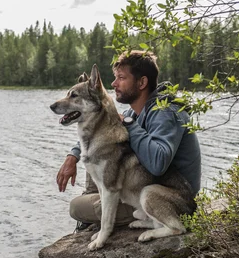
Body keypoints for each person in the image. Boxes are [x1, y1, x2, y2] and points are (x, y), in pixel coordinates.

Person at [56, 50, 202, 230]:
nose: (113, 83)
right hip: (144, 187)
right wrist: (73, 156)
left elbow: (158, 163)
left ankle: (92, 223)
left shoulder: (167, 113)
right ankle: (93, 212)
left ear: (142, 82)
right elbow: (102, 136)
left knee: (77, 207)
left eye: (121, 78)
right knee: (101, 150)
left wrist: (130, 125)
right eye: (115, 77)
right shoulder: (135, 112)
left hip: (169, 200)